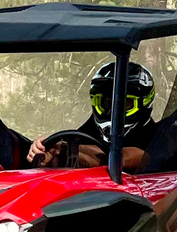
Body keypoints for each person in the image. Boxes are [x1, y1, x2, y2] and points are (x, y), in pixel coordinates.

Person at [27, 61, 157, 171]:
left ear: (144, 103)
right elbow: (61, 147)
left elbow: (126, 158)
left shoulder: (158, 138)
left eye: (124, 104)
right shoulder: (88, 130)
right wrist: (43, 150)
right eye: (105, 103)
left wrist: (66, 149)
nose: (112, 112)